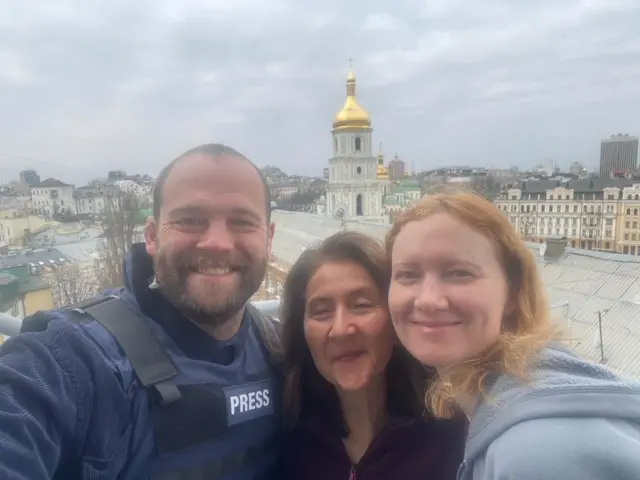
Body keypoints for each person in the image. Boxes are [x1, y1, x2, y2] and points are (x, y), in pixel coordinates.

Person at [0, 144, 284, 480]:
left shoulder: (283, 351)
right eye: (191, 220)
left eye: (242, 222)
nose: (217, 243)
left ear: (268, 239)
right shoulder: (71, 360)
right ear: (151, 236)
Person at [386, 191, 640, 480]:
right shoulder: (518, 400)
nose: (428, 300)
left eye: (458, 273)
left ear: (513, 291)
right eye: (408, 275)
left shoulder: (538, 456)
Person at [280, 230, 466, 479]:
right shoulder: (288, 438)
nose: (341, 330)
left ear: (396, 319)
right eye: (321, 312)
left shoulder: (452, 434)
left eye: (361, 305)